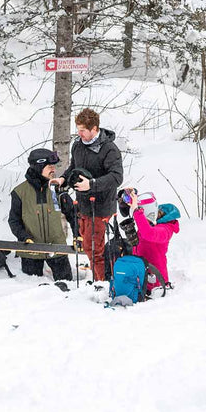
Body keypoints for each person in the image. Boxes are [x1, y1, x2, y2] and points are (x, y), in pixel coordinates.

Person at [61, 108, 123, 282]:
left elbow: (117, 177)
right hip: (82, 205)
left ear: (94, 129)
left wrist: (93, 184)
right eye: (78, 130)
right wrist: (63, 179)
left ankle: (103, 284)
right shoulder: (78, 145)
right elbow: (74, 167)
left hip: (101, 206)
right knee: (88, 246)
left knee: (94, 248)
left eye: (82, 130)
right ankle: (99, 280)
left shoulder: (109, 149)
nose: (79, 134)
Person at [8, 148, 75, 285]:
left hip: (57, 249)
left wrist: (78, 235)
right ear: (38, 167)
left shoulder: (57, 189)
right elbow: (14, 221)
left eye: (54, 166)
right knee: (33, 290)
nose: (53, 170)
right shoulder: (19, 192)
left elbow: (73, 215)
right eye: (49, 166)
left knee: (68, 287)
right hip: (31, 251)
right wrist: (24, 237)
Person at [125, 189, 179, 295]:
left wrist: (137, 211)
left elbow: (148, 233)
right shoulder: (150, 223)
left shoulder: (165, 230)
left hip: (156, 283)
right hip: (141, 274)